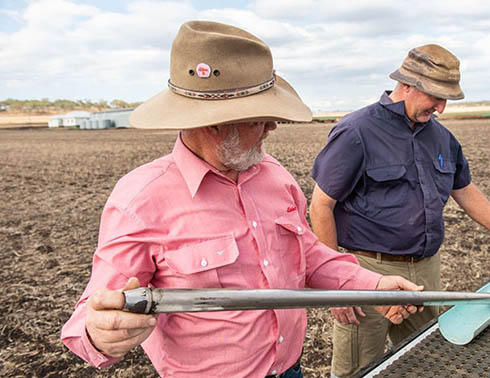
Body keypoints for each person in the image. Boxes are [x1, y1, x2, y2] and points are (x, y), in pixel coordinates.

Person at [60, 21, 425, 378]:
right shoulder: (140, 200)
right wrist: (100, 332)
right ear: (214, 123)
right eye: (260, 118)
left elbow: (307, 255)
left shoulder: (274, 176)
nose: (272, 127)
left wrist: (372, 285)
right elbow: (89, 319)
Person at [309, 44, 490, 377]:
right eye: (436, 97)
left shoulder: (442, 138)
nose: (442, 108)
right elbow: (321, 204)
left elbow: (464, 189)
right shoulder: (356, 132)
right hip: (368, 274)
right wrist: (337, 285)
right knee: (358, 369)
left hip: (425, 273)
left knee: (423, 361)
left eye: (447, 99)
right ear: (407, 85)